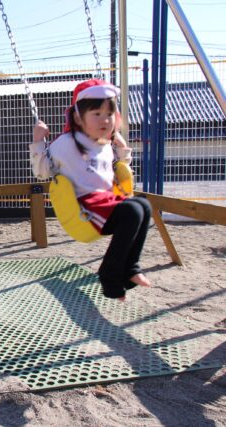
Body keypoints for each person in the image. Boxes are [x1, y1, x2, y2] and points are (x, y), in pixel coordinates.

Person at [29, 78, 152, 301]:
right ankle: (109, 275)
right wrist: (38, 141)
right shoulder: (66, 143)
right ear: (78, 117)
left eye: (109, 114)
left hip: (107, 203)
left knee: (143, 205)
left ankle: (131, 269)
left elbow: (118, 170)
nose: (104, 120)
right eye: (96, 114)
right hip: (85, 210)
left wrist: (123, 148)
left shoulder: (104, 144)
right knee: (132, 211)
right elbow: (42, 172)